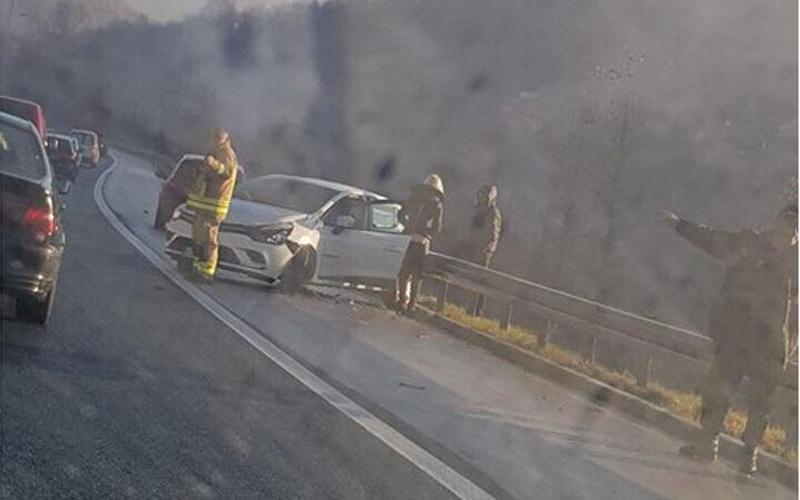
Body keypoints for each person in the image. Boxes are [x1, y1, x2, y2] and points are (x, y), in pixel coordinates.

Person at [660, 202, 798, 476]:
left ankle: (722, 447)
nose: (786, 232)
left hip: (756, 338)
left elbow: (713, 240)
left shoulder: (752, 245)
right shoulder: (760, 247)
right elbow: (712, 239)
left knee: (739, 395)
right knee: (744, 398)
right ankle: (737, 453)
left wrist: (678, 224)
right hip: (758, 338)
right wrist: (680, 225)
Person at [187, 128, 239, 283]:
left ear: (225, 139)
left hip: (214, 205)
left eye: (218, 138)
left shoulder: (227, 153)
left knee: (209, 238)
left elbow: (226, 171)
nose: (214, 141)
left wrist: (213, 164)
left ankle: (207, 272)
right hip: (204, 204)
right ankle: (197, 268)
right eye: (214, 137)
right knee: (199, 236)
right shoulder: (214, 151)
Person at [396, 174, 445, 313]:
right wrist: (426, 232)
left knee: (405, 272)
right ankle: (412, 303)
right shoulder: (437, 204)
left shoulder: (415, 198)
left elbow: (401, 213)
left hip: (409, 239)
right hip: (423, 242)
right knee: (417, 274)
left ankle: (402, 301)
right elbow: (437, 228)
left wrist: (408, 226)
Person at [469, 184, 502, 315]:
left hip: (484, 252)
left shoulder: (493, 213)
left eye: (484, 196)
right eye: (480, 195)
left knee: (480, 281)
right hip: (474, 248)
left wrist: (485, 249)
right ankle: (470, 307)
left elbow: (492, 234)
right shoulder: (479, 210)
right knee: (471, 279)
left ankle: (478, 310)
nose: (481, 198)